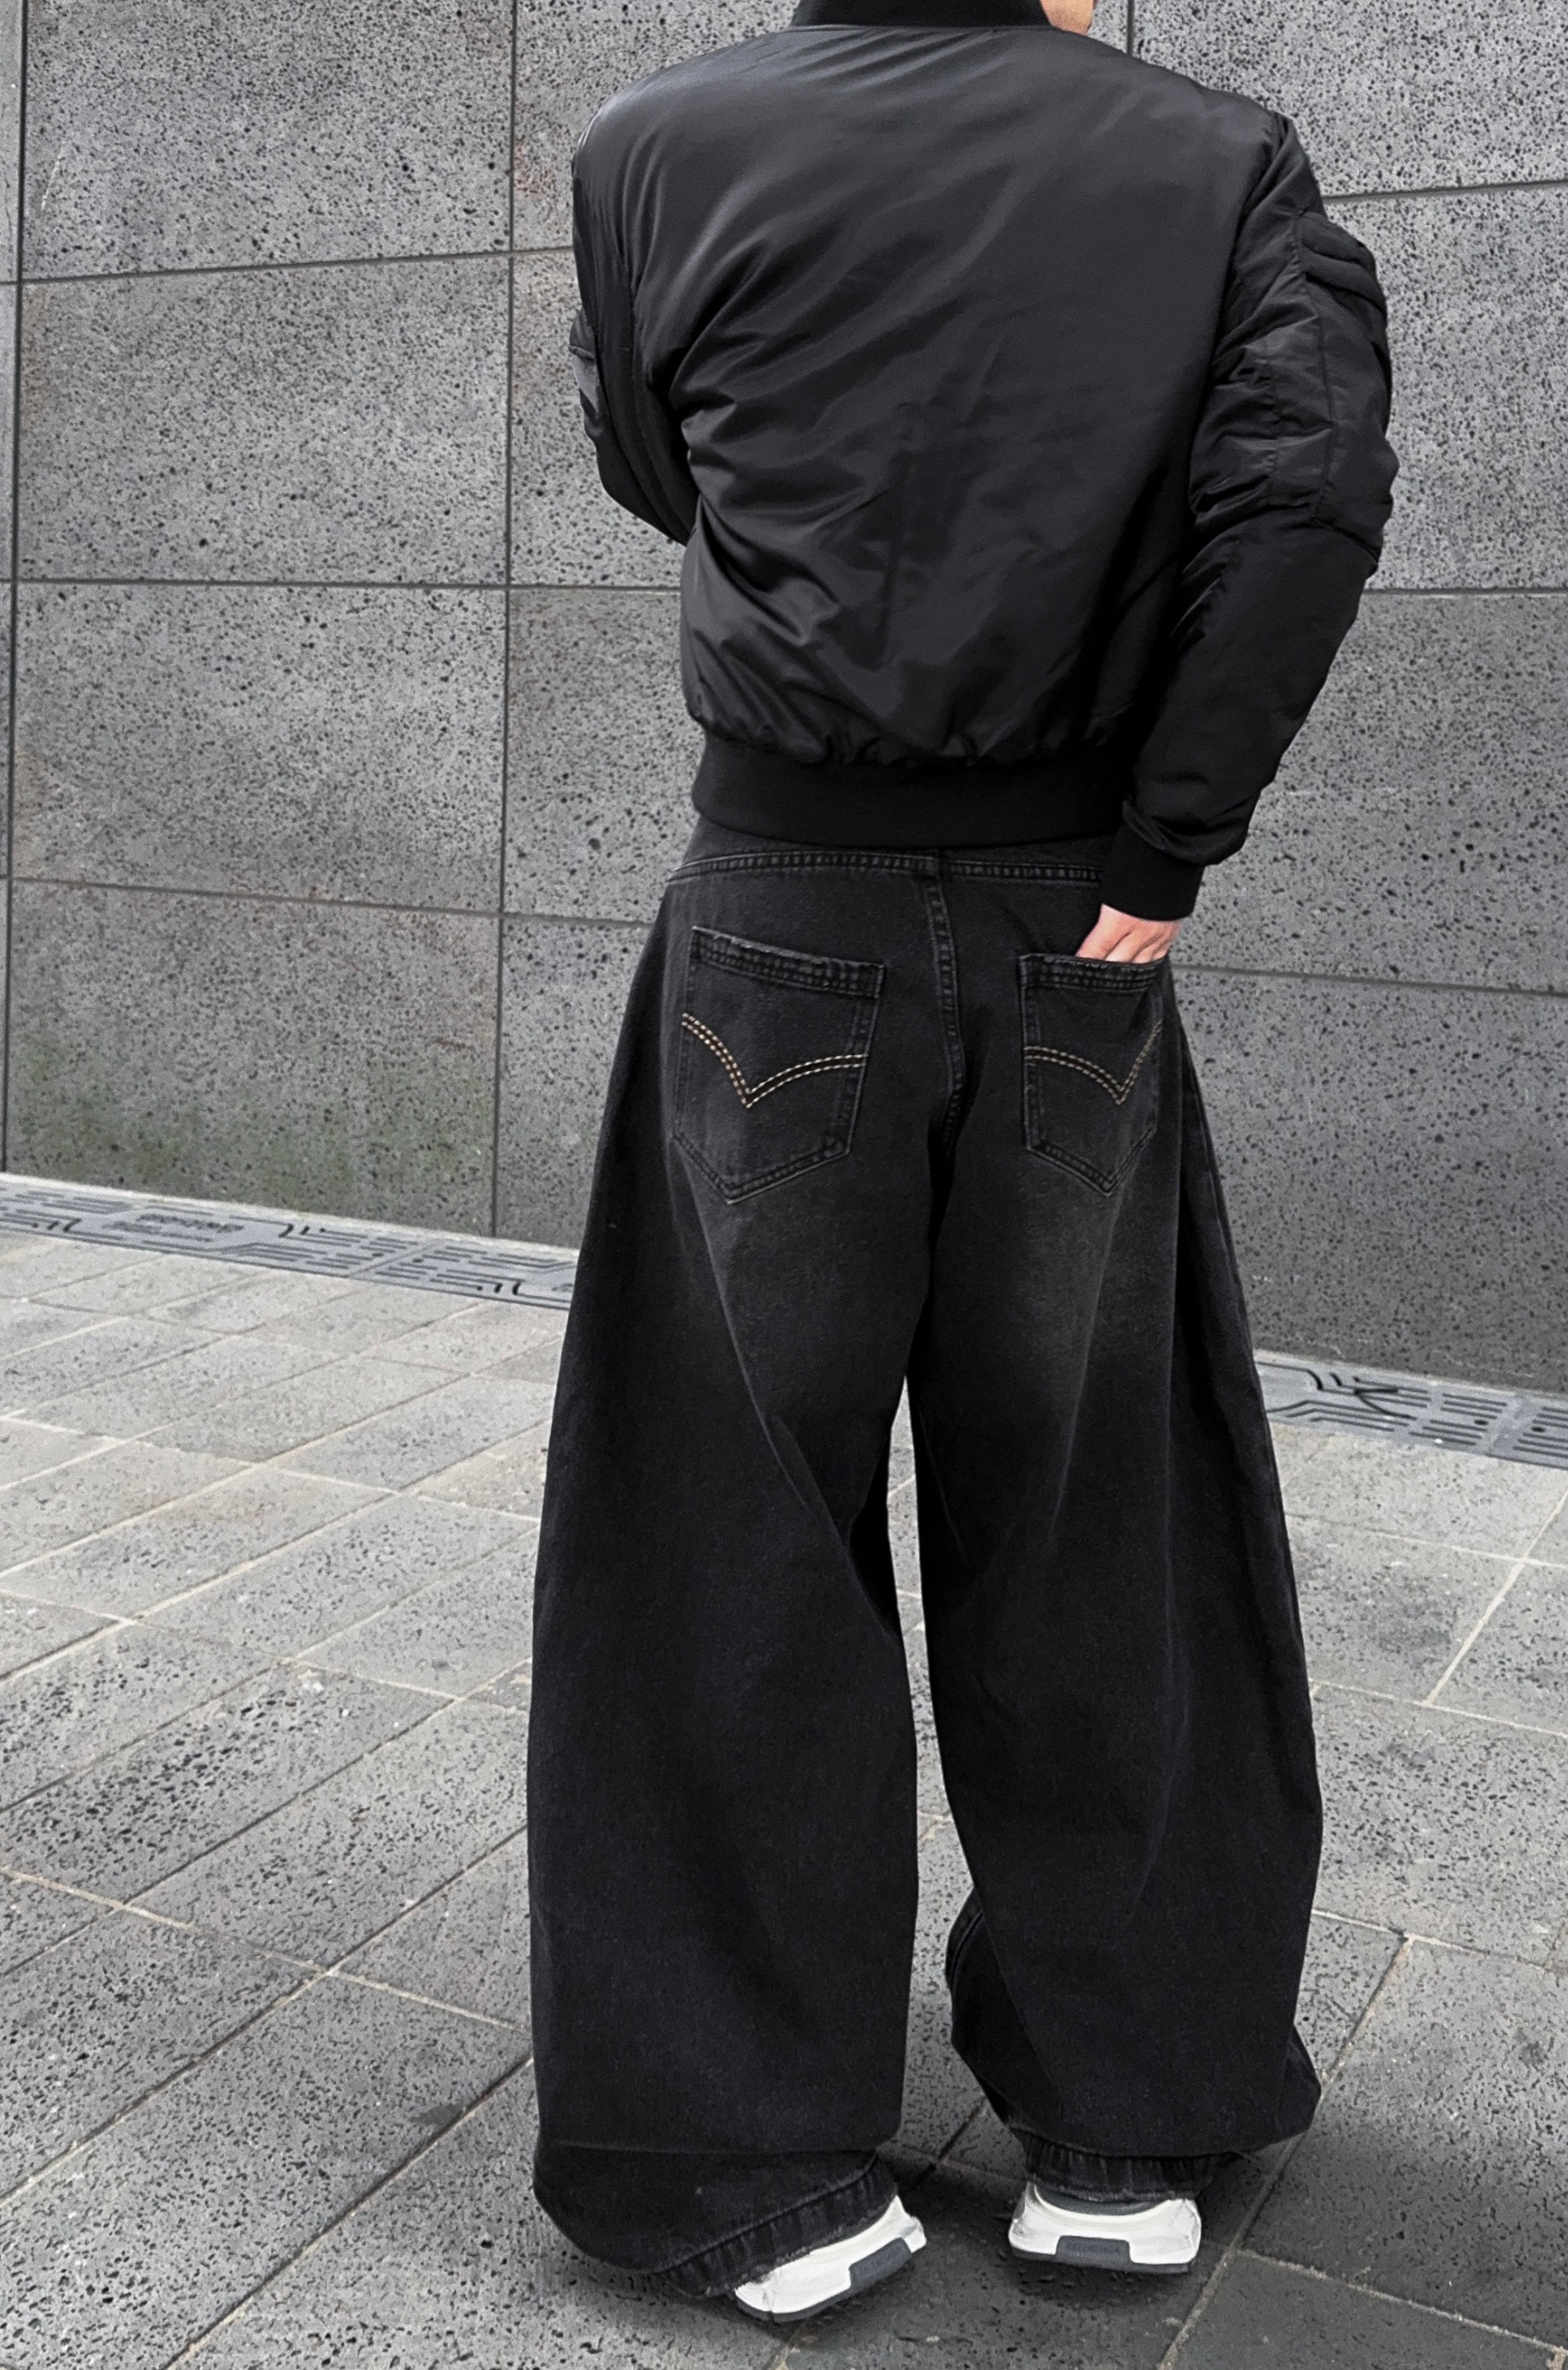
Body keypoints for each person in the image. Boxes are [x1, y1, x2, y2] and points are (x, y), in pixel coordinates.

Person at [526, 0, 1396, 2325]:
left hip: (777, 907)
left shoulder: (651, 148)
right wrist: (1166, 843)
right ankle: (1129, 2120)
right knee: (1102, 1500)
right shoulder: (1220, 160)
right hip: (1075, 916)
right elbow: (1304, 499)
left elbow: (659, 467)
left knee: (719, 1518)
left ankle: (744, 2157)